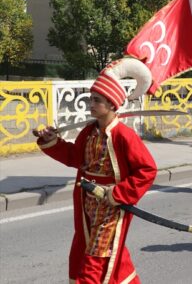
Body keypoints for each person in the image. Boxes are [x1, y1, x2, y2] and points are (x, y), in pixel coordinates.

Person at [35, 58, 157, 283]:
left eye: (97, 100)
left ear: (112, 104)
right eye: (91, 98)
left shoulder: (124, 135)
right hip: (86, 203)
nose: (90, 104)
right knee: (104, 253)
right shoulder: (88, 132)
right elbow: (75, 158)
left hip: (111, 206)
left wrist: (117, 194)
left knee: (97, 257)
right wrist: (52, 141)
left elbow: (147, 170)